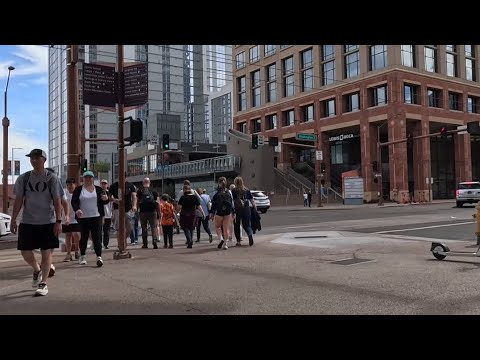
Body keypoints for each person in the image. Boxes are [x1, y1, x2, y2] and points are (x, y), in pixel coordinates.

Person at [11, 149, 65, 296]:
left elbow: (57, 200)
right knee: (25, 252)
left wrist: (59, 221)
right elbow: (18, 200)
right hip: (28, 221)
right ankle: (36, 269)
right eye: (32, 158)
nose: (34, 160)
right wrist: (13, 219)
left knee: (46, 252)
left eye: (37, 158)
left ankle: (43, 283)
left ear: (44, 160)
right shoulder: (24, 178)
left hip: (48, 221)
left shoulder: (52, 178)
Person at [71, 171, 110, 267]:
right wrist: (77, 210)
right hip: (83, 217)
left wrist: (106, 199)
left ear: (93, 179)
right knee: (83, 237)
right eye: (86, 177)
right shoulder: (78, 189)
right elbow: (74, 202)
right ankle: (83, 256)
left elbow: (104, 201)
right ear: (83, 179)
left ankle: (99, 256)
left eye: (90, 177)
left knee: (97, 237)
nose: (88, 179)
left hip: (96, 216)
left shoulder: (98, 189)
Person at [109, 178, 138, 248]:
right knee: (119, 228)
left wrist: (134, 205)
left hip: (128, 208)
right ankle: (120, 244)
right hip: (117, 208)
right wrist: (114, 200)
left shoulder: (130, 185)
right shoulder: (113, 186)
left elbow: (134, 196)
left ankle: (123, 239)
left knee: (129, 228)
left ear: (126, 177)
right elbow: (109, 197)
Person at [210, 177, 234, 250]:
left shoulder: (216, 193)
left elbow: (213, 204)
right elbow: (231, 203)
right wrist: (233, 212)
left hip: (219, 212)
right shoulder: (229, 192)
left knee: (217, 227)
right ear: (225, 182)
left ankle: (221, 239)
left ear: (218, 183)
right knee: (226, 228)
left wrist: (212, 213)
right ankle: (226, 244)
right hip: (228, 212)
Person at [178, 184, 204, 248]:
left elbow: (179, 207)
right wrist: (203, 213)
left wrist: (177, 211)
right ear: (190, 190)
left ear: (184, 190)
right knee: (191, 228)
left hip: (184, 214)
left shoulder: (182, 197)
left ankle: (189, 240)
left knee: (185, 228)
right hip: (193, 214)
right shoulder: (194, 197)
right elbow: (199, 206)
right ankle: (191, 240)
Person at [232, 176, 256, 246]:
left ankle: (238, 241)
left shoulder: (234, 190)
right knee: (247, 225)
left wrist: (232, 211)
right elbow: (252, 200)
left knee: (236, 225)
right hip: (246, 209)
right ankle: (250, 234)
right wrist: (254, 207)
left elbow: (233, 201)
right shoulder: (247, 190)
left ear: (235, 182)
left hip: (237, 210)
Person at [137, 177, 160, 249]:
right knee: (154, 227)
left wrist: (137, 209)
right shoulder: (154, 191)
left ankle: (145, 244)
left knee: (144, 228)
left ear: (143, 183)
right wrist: (159, 212)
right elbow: (157, 202)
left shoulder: (140, 191)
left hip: (143, 212)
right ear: (149, 183)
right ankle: (154, 241)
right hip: (153, 211)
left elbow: (138, 201)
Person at [62, 177, 81, 261]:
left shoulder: (78, 193)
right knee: (68, 235)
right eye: (68, 185)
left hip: (76, 218)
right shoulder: (64, 193)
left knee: (76, 234)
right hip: (66, 218)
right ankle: (68, 254)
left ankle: (77, 249)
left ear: (75, 185)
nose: (70, 186)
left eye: (71, 184)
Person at [100, 179, 112, 249]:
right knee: (99, 230)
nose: (104, 185)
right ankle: (99, 243)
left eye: (105, 184)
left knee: (106, 231)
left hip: (108, 214)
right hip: (101, 214)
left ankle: (106, 244)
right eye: (102, 184)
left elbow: (112, 204)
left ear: (107, 185)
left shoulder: (110, 193)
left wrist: (112, 213)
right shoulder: (99, 192)